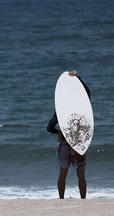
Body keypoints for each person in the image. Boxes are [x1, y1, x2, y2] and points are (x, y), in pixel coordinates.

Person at [47, 71, 91, 199]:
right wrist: (78, 78)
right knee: (81, 175)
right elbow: (87, 93)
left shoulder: (62, 109)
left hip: (66, 144)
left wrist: (60, 132)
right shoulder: (81, 106)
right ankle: (83, 199)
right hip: (78, 142)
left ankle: (61, 199)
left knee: (62, 174)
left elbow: (49, 128)